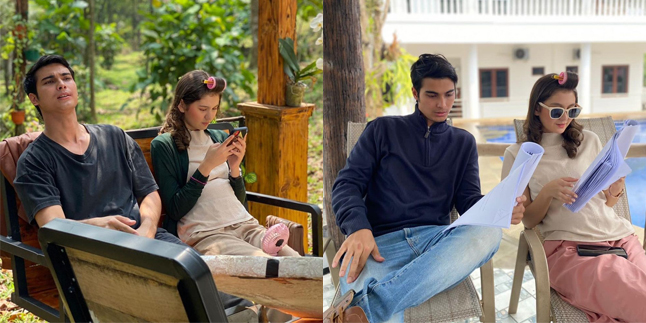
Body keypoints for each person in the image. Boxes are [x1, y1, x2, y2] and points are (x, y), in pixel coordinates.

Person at [13, 55, 253, 318]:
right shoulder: (34, 161)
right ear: (34, 98)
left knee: (231, 296)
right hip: (94, 257)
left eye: (66, 78)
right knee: (185, 308)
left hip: (149, 243)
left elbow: (149, 192)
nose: (61, 84)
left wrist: (148, 228)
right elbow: (53, 226)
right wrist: (101, 225)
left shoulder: (114, 136)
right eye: (49, 81)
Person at [327, 54, 526, 323]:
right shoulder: (381, 130)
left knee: (490, 233)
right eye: (432, 95)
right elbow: (346, 184)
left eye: (449, 94)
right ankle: (377, 305)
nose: (442, 104)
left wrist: (499, 208)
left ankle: (370, 307)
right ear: (415, 93)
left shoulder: (463, 143)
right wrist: (358, 227)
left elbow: (468, 201)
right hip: (380, 246)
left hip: (438, 242)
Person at [501, 71, 646, 322]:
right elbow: (528, 222)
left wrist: (614, 189)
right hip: (570, 249)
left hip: (620, 239)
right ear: (537, 109)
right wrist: (548, 192)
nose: (565, 118)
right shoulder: (518, 154)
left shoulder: (588, 140)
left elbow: (607, 203)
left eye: (573, 110)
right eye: (557, 111)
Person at [151, 69, 298, 257]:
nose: (209, 117)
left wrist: (235, 168)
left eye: (214, 109)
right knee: (267, 263)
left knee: (295, 259)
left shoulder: (219, 137)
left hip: (244, 224)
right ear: (182, 105)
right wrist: (206, 167)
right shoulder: (164, 145)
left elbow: (239, 200)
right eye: (202, 109)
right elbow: (175, 208)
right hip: (207, 233)